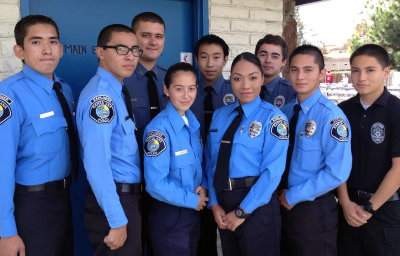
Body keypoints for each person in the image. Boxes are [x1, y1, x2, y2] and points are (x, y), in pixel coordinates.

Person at [0, 15, 74, 256]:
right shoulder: (9, 95)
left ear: (61, 49)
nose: (46, 50)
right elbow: (2, 166)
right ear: (19, 50)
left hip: (63, 200)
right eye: (36, 42)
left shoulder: (64, 89)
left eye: (53, 42)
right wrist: (6, 232)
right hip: (30, 206)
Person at [207, 52, 289, 256]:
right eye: (237, 78)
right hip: (223, 202)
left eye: (252, 77)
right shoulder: (220, 115)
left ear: (262, 78)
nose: (245, 85)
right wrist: (214, 203)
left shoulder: (274, 119)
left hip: (256, 204)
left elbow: (272, 173)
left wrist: (242, 211)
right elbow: (210, 163)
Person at [75, 24, 142, 255]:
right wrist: (116, 220)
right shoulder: (100, 98)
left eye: (135, 50)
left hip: (126, 199)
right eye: (121, 49)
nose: (130, 56)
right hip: (114, 204)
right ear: (100, 52)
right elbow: (97, 163)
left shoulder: (117, 91)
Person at [279, 45, 352, 256]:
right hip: (280, 204)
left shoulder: (331, 117)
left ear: (321, 73)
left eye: (308, 70)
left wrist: (294, 196)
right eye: (294, 69)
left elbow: (337, 172)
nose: (300, 76)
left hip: (313, 210)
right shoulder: (285, 112)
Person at [337, 44, 400, 256]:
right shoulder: (342, 111)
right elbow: (337, 161)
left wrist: (370, 208)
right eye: (355, 70)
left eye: (370, 70)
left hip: (385, 211)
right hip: (347, 208)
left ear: (385, 73)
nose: (361, 77)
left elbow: (398, 169)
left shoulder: (396, 111)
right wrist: (345, 203)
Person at [143, 62, 208, 256]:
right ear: (166, 89)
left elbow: (198, 165)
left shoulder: (192, 123)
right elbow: (155, 184)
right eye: (179, 89)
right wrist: (192, 200)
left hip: (192, 211)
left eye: (191, 88)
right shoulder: (158, 130)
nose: (186, 95)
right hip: (170, 216)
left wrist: (203, 186)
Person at [189, 34, 235, 256]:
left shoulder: (235, 91)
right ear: (196, 59)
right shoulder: (187, 90)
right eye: (204, 57)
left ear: (225, 59)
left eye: (216, 57)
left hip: (225, 174)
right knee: (198, 237)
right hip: (192, 174)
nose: (210, 63)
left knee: (232, 236)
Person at [125, 11, 168, 143]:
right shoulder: (121, 79)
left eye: (159, 36)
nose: (153, 42)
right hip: (132, 160)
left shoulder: (171, 79)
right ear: (133, 38)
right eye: (146, 35)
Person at [255, 34, 295, 108]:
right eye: (263, 55)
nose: (268, 60)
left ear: (283, 62)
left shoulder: (292, 92)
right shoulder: (244, 87)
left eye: (274, 56)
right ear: (255, 58)